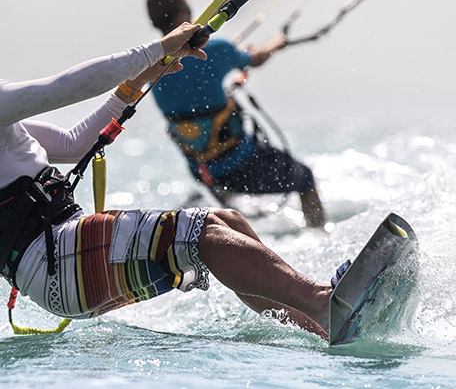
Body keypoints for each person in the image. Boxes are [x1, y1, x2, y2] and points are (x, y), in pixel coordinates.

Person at [0, 23, 344, 339]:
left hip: (58, 267)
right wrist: (155, 49)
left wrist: (137, 81)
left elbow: (75, 144)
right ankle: (324, 302)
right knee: (204, 234)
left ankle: (320, 328)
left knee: (228, 223)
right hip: (57, 259)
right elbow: (65, 88)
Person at [145, 0, 326, 228]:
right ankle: (318, 238)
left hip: (203, 172)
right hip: (241, 164)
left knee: (227, 200)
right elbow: (257, 58)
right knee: (305, 178)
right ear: (181, 17)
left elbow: (194, 90)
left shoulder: (150, 65)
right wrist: (277, 42)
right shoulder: (215, 50)